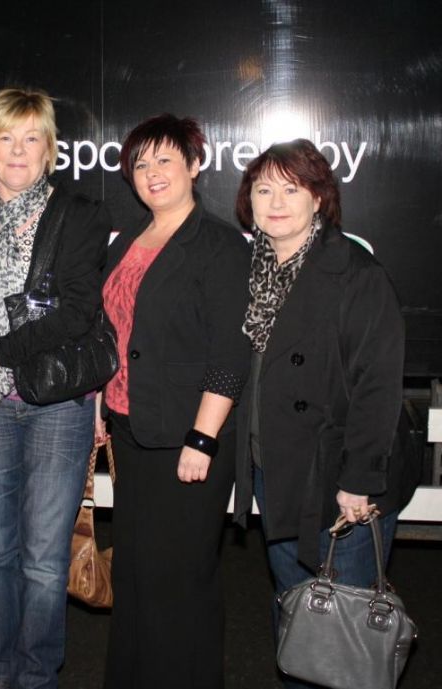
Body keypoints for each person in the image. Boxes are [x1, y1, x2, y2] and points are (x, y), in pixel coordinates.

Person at [0, 88, 111, 689]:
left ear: (49, 150)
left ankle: (36, 676)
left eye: (31, 137)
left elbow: (78, 313)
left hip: (56, 405)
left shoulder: (80, 214)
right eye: (6, 137)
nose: (18, 150)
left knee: (43, 558)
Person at [232, 139, 414, 689]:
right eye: (264, 189)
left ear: (318, 198)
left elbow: (378, 386)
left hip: (340, 483)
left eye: (292, 190)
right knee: (299, 615)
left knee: (345, 631)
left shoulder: (355, 273)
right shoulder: (252, 270)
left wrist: (359, 481)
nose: (276, 203)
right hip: (277, 472)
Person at [98, 114, 251, 689]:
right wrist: (101, 407)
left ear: (194, 164)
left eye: (165, 159)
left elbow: (230, 353)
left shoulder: (219, 245)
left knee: (180, 581)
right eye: (141, 163)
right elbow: (114, 337)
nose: (152, 172)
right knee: (136, 574)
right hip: (133, 430)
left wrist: (202, 438)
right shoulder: (128, 241)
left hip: (189, 440)